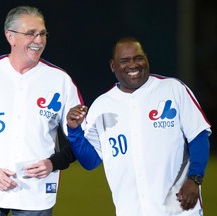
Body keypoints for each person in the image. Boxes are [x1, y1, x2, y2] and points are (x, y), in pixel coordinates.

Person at [0, 5, 83, 216]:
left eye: (42, 33)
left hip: (36, 194)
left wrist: (54, 163)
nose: (38, 40)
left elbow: (79, 138)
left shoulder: (60, 81)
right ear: (10, 37)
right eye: (30, 33)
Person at [66, 37, 211, 216]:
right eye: (124, 61)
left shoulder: (173, 89)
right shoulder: (102, 106)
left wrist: (195, 178)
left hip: (178, 209)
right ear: (113, 66)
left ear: (146, 59)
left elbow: (198, 136)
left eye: (138, 58)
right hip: (131, 210)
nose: (133, 65)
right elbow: (90, 161)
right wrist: (74, 131)